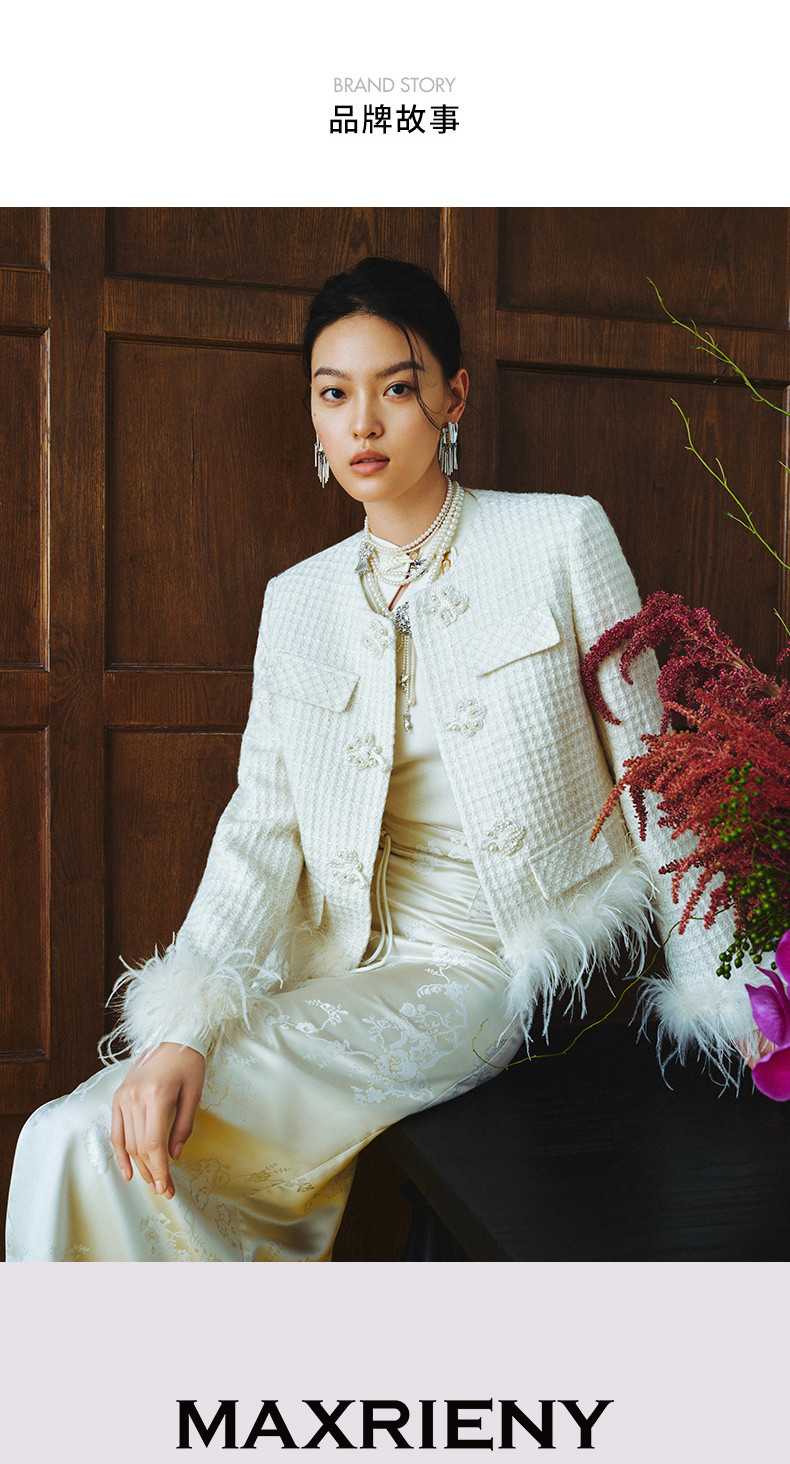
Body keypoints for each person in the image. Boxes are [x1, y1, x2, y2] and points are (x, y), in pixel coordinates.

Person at [5, 257, 766, 1263]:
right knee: (68, 1135)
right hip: (336, 967)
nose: (362, 423)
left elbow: (656, 775)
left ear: (453, 398)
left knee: (84, 1141)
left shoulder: (558, 536)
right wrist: (182, 1027)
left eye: (395, 388)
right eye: (334, 394)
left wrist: (728, 989)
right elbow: (259, 830)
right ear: (314, 418)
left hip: (483, 971)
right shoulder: (298, 601)